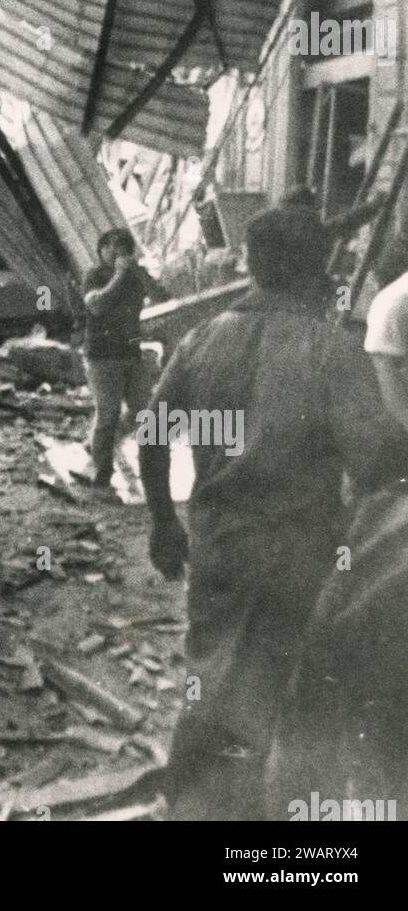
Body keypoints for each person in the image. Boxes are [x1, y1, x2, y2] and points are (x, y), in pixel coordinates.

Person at [140, 205, 403, 820]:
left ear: (252, 265)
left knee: (211, 674)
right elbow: (374, 463)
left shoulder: (201, 340)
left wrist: (162, 521)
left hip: (218, 547)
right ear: (315, 268)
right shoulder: (329, 350)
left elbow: (153, 434)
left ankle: (197, 809)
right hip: (298, 554)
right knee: (290, 700)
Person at [82, 228, 164, 491]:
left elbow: (163, 297)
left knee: (144, 411)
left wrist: (139, 272)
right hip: (102, 356)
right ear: (101, 249)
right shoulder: (94, 275)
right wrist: (118, 275)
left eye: (123, 249)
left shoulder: (135, 276)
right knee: (107, 414)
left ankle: (108, 449)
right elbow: (97, 305)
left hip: (131, 352)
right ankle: (101, 474)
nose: (117, 254)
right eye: (111, 248)